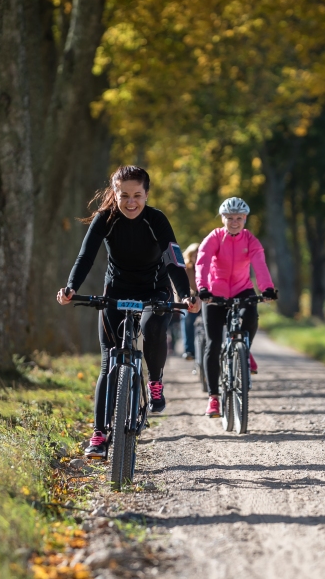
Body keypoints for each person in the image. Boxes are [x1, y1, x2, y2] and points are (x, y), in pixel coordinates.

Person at [57, 165, 198, 459]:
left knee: (154, 328)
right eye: (124, 196)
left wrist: (185, 294)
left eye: (137, 195)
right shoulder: (105, 219)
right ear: (115, 193)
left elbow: (174, 260)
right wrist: (71, 287)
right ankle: (99, 435)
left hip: (155, 290)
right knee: (109, 362)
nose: (131, 202)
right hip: (117, 290)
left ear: (146, 195)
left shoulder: (156, 220)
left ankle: (155, 381)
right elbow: (86, 256)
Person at [195, 197, 277, 418]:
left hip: (242, 289)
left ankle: (244, 350)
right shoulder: (214, 238)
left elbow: (259, 264)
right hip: (215, 293)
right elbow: (202, 262)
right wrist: (203, 289)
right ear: (222, 218)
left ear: (245, 219)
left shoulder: (250, 240)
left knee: (251, 316)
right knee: (213, 344)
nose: (234, 222)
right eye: (230, 218)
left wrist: (267, 288)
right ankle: (213, 398)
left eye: (239, 218)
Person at [180, 243, 201, 360]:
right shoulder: (185, 269)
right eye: (194, 254)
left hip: (205, 300)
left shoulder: (208, 266)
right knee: (187, 318)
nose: (197, 256)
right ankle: (189, 350)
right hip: (191, 300)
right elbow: (181, 287)